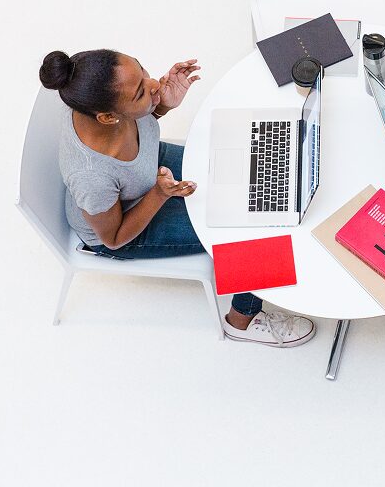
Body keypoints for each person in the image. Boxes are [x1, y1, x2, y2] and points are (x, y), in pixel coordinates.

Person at [39, 49, 316, 348]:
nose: (154, 84)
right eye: (142, 92)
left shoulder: (110, 99)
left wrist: (161, 106)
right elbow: (114, 238)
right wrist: (159, 194)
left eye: (143, 72)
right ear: (108, 117)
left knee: (247, 169)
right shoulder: (90, 176)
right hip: (126, 226)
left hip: (147, 170)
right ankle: (242, 319)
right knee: (251, 225)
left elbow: (140, 119)